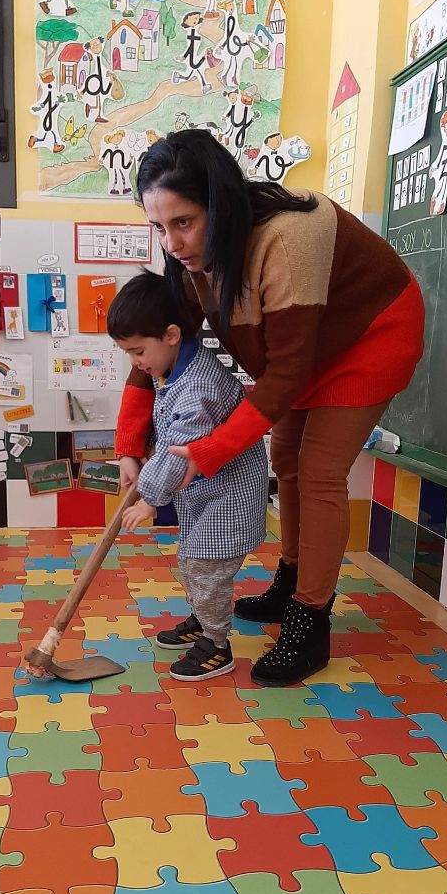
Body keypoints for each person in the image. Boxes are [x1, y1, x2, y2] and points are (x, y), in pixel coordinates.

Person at [115, 129, 424, 686]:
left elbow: (285, 374)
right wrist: (128, 446)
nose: (172, 243)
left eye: (183, 222)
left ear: (220, 206)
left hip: (370, 336)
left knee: (319, 471)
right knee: (286, 461)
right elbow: (155, 344)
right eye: (159, 226)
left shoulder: (286, 239)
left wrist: (206, 451)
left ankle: (310, 618)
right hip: (307, 347)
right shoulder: (189, 257)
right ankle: (292, 579)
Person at [109, 270, 268, 682]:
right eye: (128, 353)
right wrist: (131, 456)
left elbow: (179, 450)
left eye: (138, 351)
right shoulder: (172, 367)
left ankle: (216, 645)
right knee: (192, 558)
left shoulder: (199, 387)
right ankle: (202, 618)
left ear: (172, 335)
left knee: (205, 564)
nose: (135, 363)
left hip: (230, 495)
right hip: (204, 492)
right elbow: (164, 433)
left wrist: (149, 497)